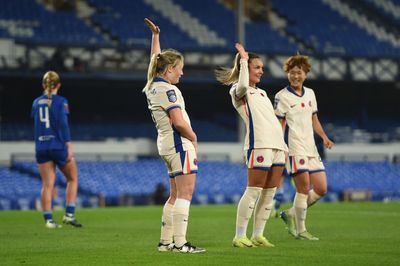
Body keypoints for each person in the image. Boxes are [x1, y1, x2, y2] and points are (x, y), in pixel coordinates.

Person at [215, 43, 288, 248]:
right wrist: (244, 60)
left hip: (277, 147)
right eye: (257, 67)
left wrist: (283, 145)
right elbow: (244, 86)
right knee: (254, 190)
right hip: (259, 145)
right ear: (245, 68)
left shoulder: (263, 93)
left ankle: (258, 235)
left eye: (262, 68)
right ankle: (239, 235)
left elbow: (272, 121)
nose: (261, 71)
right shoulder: (238, 91)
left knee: (269, 192)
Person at [143, 18, 205, 254]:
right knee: (185, 194)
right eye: (179, 67)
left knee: (175, 194)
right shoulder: (169, 90)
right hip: (179, 143)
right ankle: (181, 243)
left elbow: (155, 61)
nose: (182, 72)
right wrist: (194, 137)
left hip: (165, 144)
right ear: (169, 70)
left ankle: (165, 242)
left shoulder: (152, 85)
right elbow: (178, 121)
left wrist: (156, 37)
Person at [274, 54, 334, 240]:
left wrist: (324, 137)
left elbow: (314, 119)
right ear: (288, 74)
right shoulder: (281, 96)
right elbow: (280, 125)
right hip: (295, 149)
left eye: (299, 73)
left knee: (322, 188)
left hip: (311, 149)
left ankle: (290, 213)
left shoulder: (310, 94)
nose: (295, 76)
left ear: (305, 75)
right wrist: (280, 146)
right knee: (303, 188)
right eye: (292, 73)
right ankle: (301, 230)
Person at [31, 70, 82, 229]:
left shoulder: (36, 102)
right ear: (58, 85)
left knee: (47, 185)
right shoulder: (61, 101)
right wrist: (69, 145)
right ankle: (69, 215)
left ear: (43, 85)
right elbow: (63, 124)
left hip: (41, 146)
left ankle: (48, 220)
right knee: (72, 178)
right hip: (58, 145)